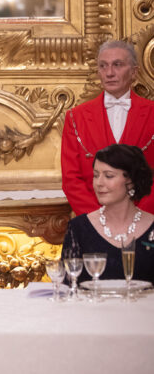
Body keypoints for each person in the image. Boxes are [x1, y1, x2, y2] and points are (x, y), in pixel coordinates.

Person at [61, 40, 154, 215]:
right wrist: (101, 221)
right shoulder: (75, 117)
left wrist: (138, 218)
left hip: (147, 223)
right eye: (103, 66)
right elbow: (71, 179)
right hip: (95, 225)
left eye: (117, 65)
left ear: (134, 72)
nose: (109, 73)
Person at [61, 144, 154, 284]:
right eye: (96, 175)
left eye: (108, 176)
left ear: (131, 181)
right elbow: (67, 288)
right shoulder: (78, 228)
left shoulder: (152, 227)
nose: (99, 183)